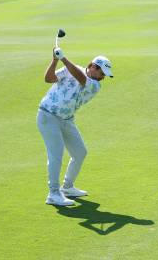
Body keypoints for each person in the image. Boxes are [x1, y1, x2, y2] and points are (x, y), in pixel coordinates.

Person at [37, 47, 113, 206]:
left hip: (66, 119)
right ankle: (53, 193)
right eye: (102, 73)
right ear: (93, 66)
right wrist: (55, 60)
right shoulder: (70, 69)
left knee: (80, 152)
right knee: (56, 154)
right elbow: (48, 78)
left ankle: (67, 187)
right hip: (48, 115)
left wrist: (64, 58)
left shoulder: (95, 85)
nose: (103, 78)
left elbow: (81, 78)